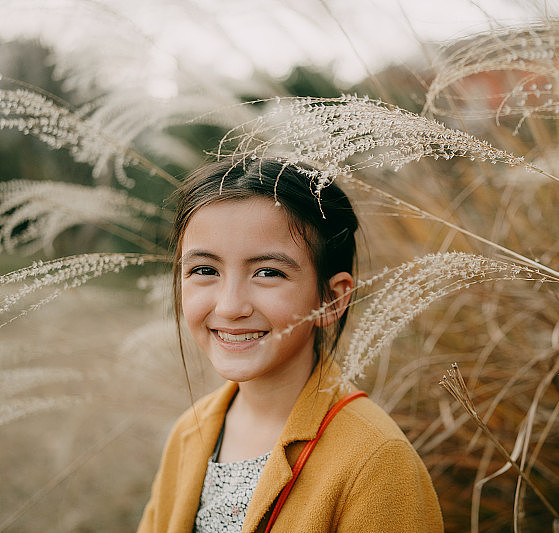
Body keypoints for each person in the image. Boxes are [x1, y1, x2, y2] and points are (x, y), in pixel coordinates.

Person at [137, 158, 443, 533]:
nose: (231, 307)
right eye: (205, 270)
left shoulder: (376, 460)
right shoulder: (191, 432)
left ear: (331, 300)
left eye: (268, 272)